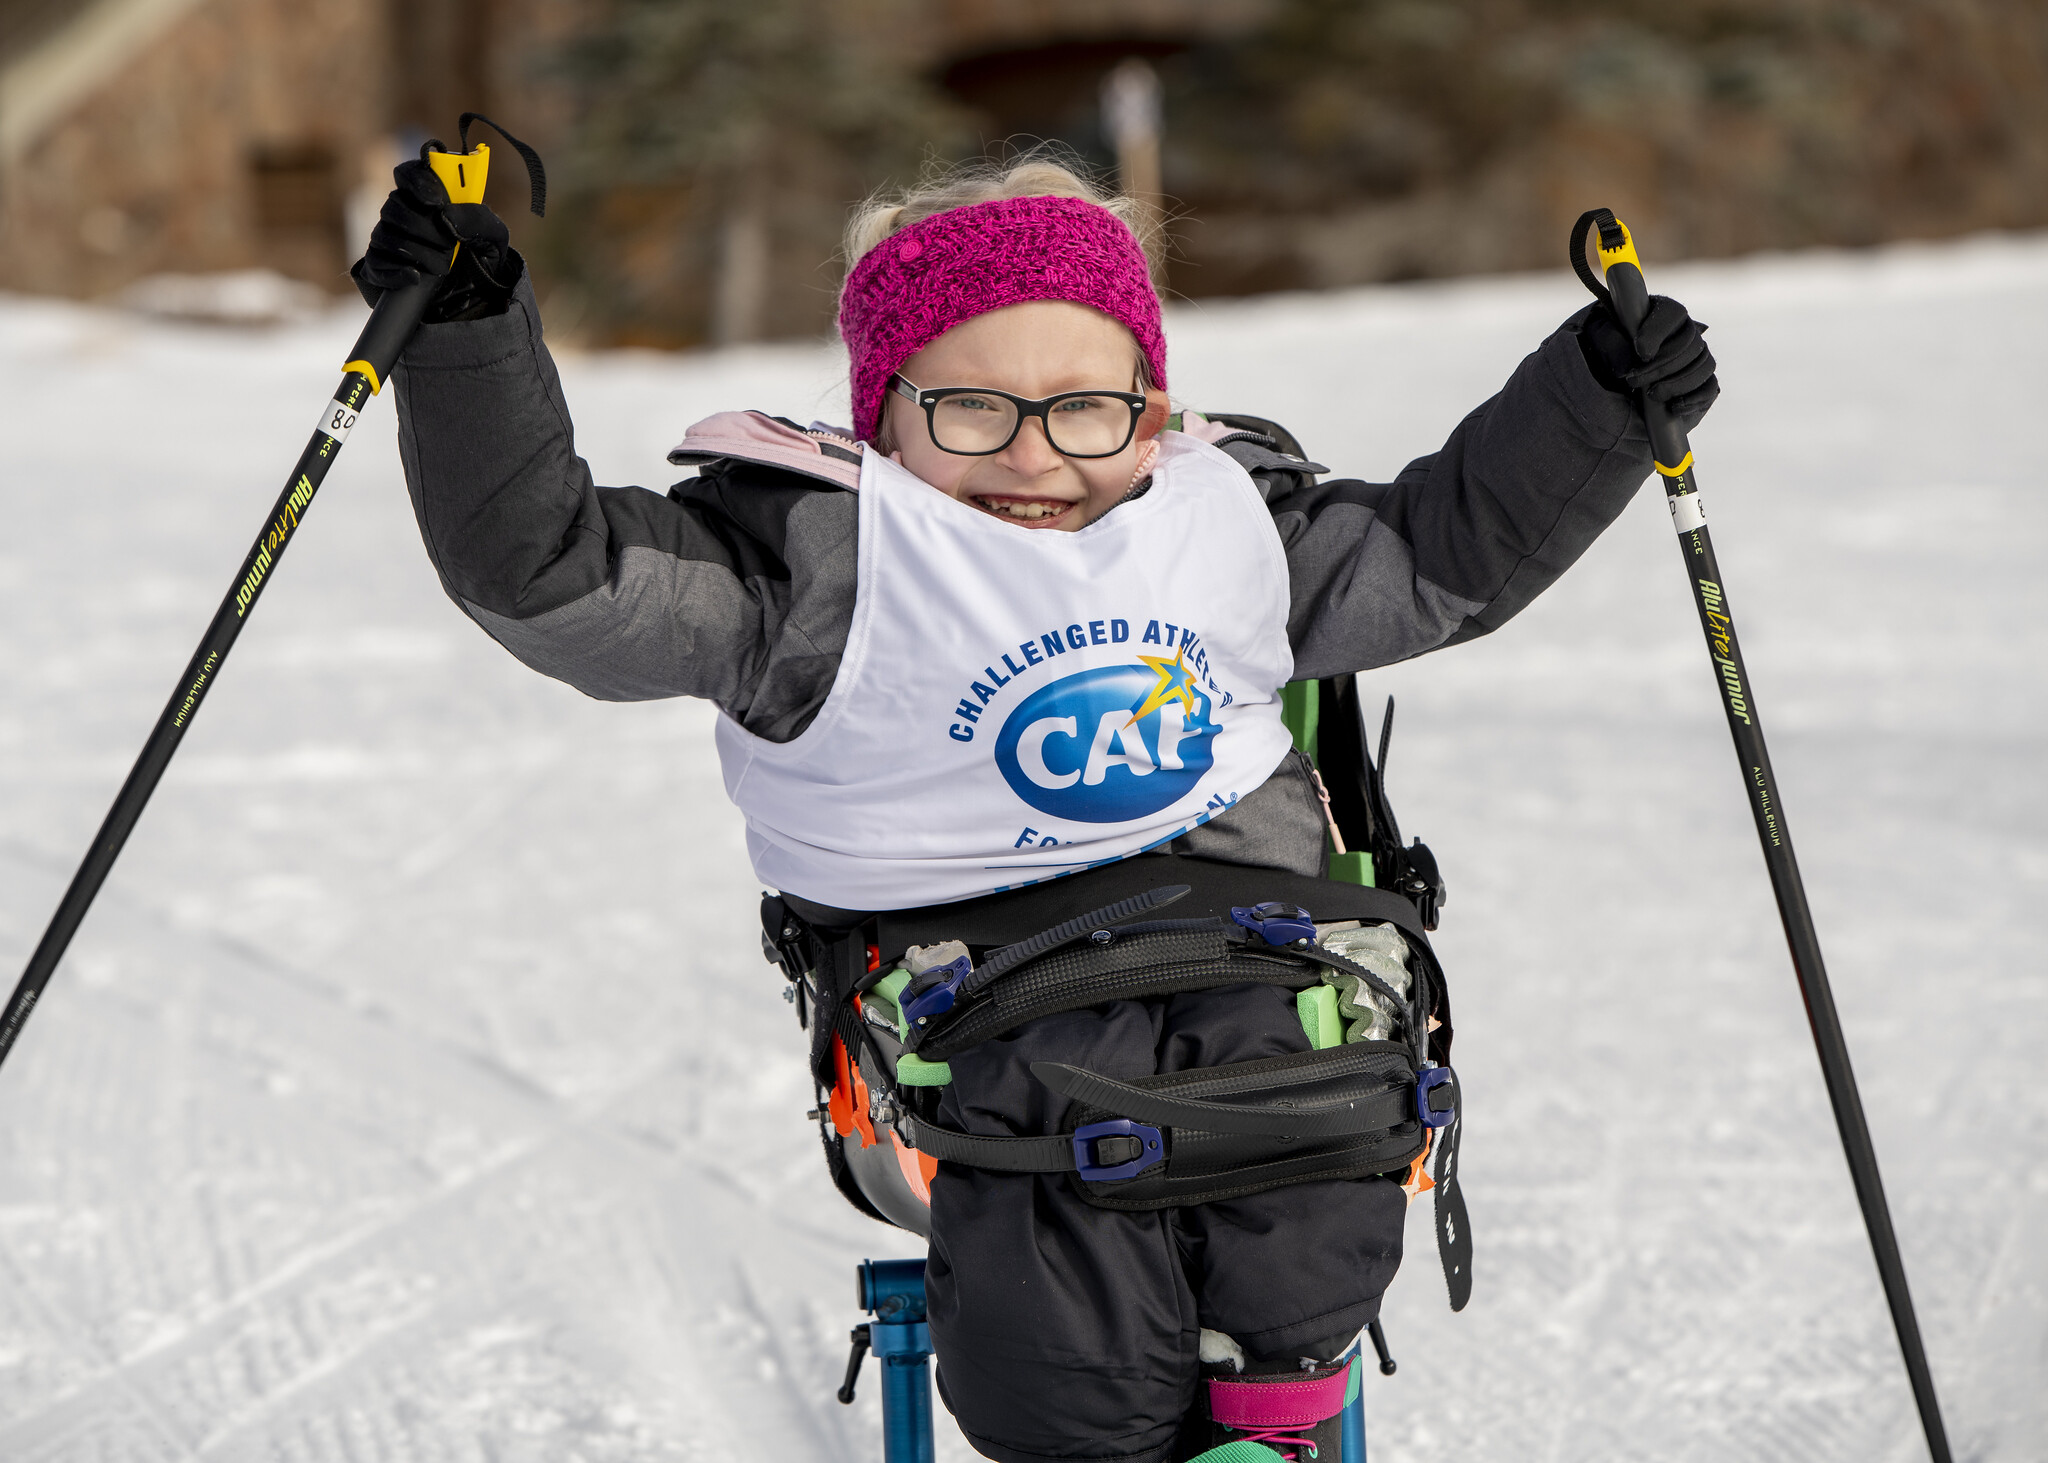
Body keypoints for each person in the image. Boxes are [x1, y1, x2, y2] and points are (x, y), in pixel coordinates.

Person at [355, 150, 1716, 1463]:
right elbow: (555, 576)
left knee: (1312, 1111)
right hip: (969, 988)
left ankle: (1272, 1421)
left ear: (1149, 402)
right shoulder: (811, 561)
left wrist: (1596, 402)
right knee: (1064, 1200)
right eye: (970, 409)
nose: (1036, 457)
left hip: (1251, 935)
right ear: (883, 409)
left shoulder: (1222, 519)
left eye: (1086, 407)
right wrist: (466, 332)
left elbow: (1435, 558)